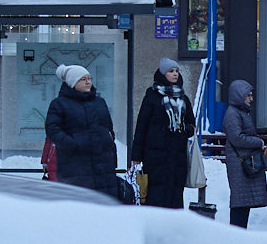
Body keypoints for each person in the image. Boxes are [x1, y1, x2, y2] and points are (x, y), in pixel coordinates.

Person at [45, 64, 118, 198]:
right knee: (80, 203)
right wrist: (73, 143)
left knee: (105, 203)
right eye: (82, 79)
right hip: (75, 164)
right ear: (72, 82)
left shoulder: (99, 102)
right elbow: (52, 129)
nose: (88, 82)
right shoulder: (59, 104)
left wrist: (108, 142)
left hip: (103, 164)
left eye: (89, 78)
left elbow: (108, 127)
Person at [130, 57, 195, 209]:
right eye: (171, 71)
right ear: (163, 74)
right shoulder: (152, 96)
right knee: (156, 194)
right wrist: (136, 156)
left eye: (177, 71)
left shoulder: (183, 98)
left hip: (177, 153)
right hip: (155, 155)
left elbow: (191, 122)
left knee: (175, 192)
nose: (175, 74)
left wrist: (186, 129)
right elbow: (141, 126)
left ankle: (174, 227)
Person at [222, 80, 267, 228]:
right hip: (240, 163)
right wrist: (258, 142)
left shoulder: (240, 112)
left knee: (243, 201)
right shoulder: (233, 114)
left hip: (243, 161)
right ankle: (237, 234)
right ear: (238, 96)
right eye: (248, 95)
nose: (251, 98)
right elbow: (236, 138)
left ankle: (239, 232)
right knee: (240, 202)